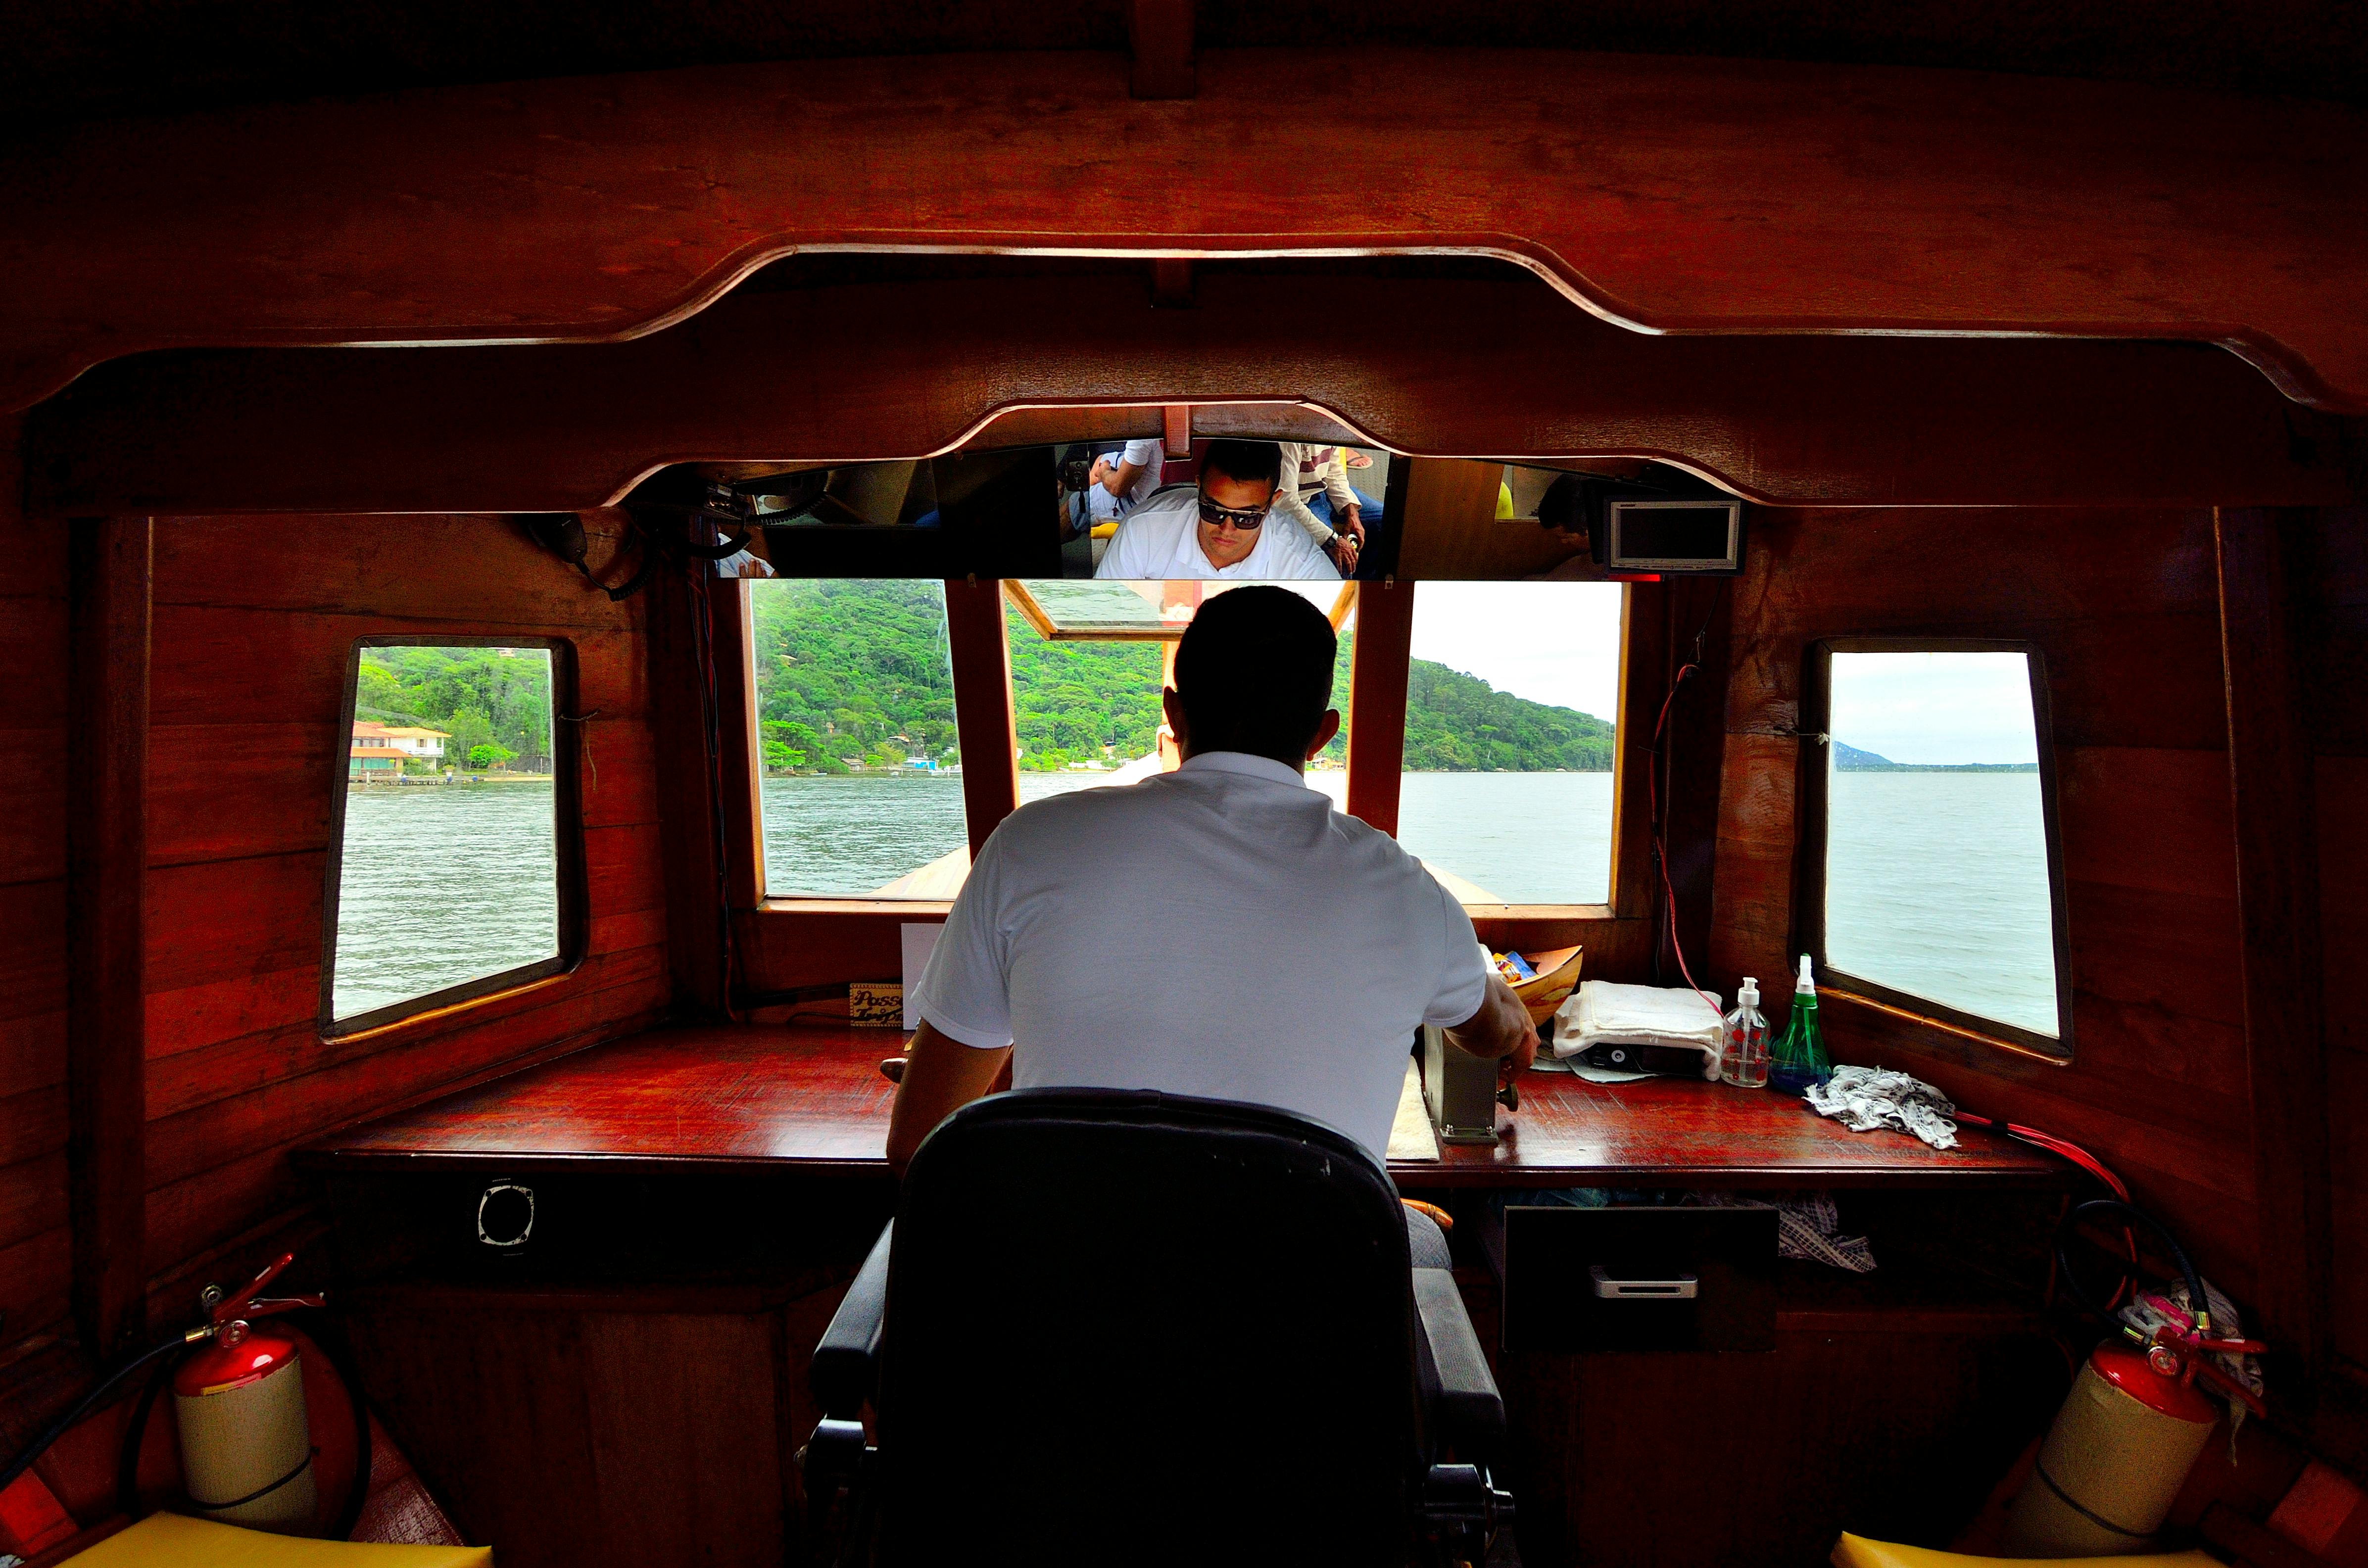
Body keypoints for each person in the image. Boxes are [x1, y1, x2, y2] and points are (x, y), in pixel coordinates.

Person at [887, 586, 1539, 1267]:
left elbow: (918, 1152)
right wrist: (1512, 1024)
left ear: (1173, 710)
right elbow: (1489, 1027)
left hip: (1066, 1343)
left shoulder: (1031, 843)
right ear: (1324, 732)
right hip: (1303, 1337)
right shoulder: (1408, 890)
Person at [1094, 438, 1340, 579]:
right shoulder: (1143, 531)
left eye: (1247, 517)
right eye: (1213, 510)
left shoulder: (1299, 558)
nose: (1227, 528)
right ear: (1198, 488)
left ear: (1272, 504)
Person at [1272, 443, 1381, 575]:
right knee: (1341, 564)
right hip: (1302, 499)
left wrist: (1352, 512)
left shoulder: (1332, 426)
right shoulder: (1290, 440)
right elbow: (1286, 500)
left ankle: (1366, 579)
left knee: (1388, 519)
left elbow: (1333, 471)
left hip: (1323, 489)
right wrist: (1331, 541)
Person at [1086, 437, 1165, 522]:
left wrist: (1104, 473)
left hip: (1144, 503)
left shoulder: (1144, 433)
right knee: (1100, 460)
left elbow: (1117, 488)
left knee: (1076, 504)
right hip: (1171, 484)